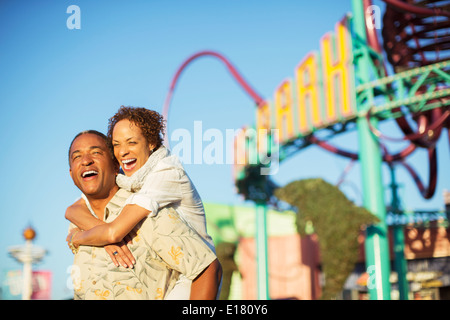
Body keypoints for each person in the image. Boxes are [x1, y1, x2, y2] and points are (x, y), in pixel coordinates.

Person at [66, 106, 217, 299]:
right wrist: (83, 227)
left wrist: (79, 238)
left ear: (114, 165)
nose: (86, 161)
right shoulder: (81, 216)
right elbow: (75, 209)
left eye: (96, 153)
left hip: (190, 282)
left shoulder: (151, 199)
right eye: (77, 156)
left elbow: (208, 268)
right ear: (71, 173)